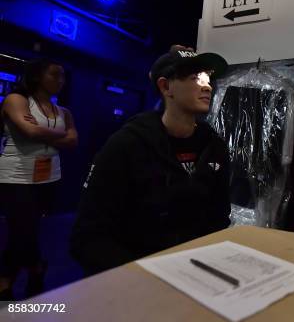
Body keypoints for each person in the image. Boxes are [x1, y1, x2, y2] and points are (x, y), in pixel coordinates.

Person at [70, 48, 231, 275]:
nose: (207, 86)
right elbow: (88, 236)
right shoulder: (126, 145)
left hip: (196, 275)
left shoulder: (215, 147)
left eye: (208, 79)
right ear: (165, 87)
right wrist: (142, 276)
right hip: (137, 281)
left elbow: (219, 217)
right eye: (195, 78)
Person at [0, 59, 78, 300]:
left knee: (27, 228)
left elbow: (73, 141)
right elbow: (29, 131)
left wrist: (48, 134)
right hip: (16, 176)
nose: (61, 81)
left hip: (49, 177)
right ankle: (24, 272)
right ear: (36, 76)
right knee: (22, 228)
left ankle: (16, 275)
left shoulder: (64, 111)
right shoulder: (17, 100)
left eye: (63, 76)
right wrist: (60, 134)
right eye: (55, 75)